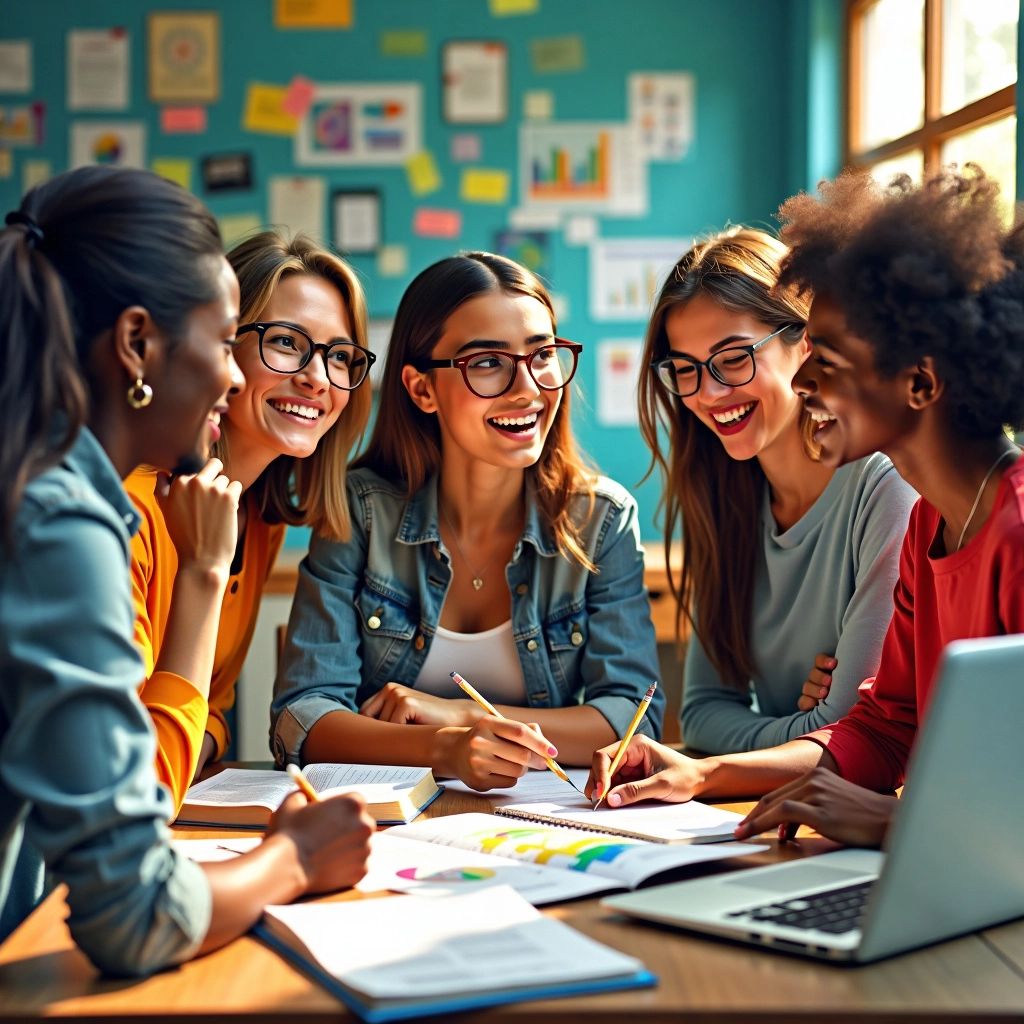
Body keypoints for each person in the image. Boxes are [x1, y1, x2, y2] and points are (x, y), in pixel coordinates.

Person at [0, 167, 373, 973]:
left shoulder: (50, 483)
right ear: (138, 344)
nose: (237, 375)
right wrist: (294, 859)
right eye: (234, 338)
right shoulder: (71, 519)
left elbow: (191, 730)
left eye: (342, 357)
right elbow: (135, 910)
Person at [589, 166, 1024, 848]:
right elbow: (885, 726)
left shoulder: (1012, 529)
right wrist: (707, 776)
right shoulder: (927, 528)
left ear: (921, 379)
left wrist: (893, 821)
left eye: (831, 357)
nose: (807, 380)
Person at [272, 251, 664, 789]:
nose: (527, 388)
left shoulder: (601, 520)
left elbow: (628, 718)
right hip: (386, 827)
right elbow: (304, 717)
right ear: (421, 389)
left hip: (538, 826)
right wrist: (444, 750)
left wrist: (463, 717)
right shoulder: (359, 511)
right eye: (486, 362)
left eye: (542, 354)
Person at [638, 228, 916, 753]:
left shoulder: (884, 486)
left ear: (806, 340)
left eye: (734, 358)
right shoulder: (722, 498)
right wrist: (802, 726)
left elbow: (860, 730)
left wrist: (810, 728)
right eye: (685, 370)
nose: (709, 392)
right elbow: (700, 714)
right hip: (786, 800)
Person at [125, 232, 374, 808]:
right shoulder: (132, 512)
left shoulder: (258, 517)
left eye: (340, 356)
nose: (318, 378)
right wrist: (191, 741)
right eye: (287, 342)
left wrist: (202, 736)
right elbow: (140, 776)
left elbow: (210, 709)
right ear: (220, 351)